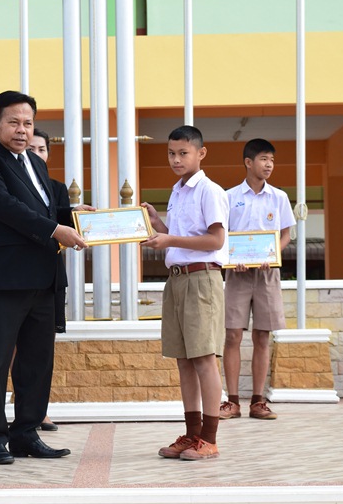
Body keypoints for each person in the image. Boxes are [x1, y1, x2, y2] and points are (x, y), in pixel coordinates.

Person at [0, 90, 90, 465]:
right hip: (5, 278)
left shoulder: (35, 163)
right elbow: (6, 207)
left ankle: (26, 433)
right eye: (14, 122)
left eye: (28, 123)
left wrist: (76, 217)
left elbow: (46, 210)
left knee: (37, 361)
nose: (22, 130)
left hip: (44, 276)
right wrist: (56, 229)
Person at [142, 125, 229, 461]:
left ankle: (209, 439)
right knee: (183, 360)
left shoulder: (210, 190)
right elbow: (180, 237)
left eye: (183, 153)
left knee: (204, 358)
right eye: (171, 153)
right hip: (177, 279)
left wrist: (170, 239)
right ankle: (192, 434)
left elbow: (216, 240)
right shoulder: (177, 191)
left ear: (201, 153)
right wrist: (157, 225)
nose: (176, 160)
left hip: (202, 279)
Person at [220, 138, 295, 420]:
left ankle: (258, 401)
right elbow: (221, 234)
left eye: (272, 160)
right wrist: (231, 257)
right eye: (264, 159)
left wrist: (273, 253)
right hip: (237, 273)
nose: (269, 165)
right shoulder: (229, 197)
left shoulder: (279, 197)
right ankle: (232, 402)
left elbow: (286, 234)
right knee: (232, 335)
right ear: (248, 162)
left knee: (263, 335)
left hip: (267, 273)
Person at [26, 128, 67, 432]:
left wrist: (78, 217)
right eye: (31, 149)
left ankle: (40, 410)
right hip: (17, 277)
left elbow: (65, 226)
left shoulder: (57, 188)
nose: (37, 154)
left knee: (42, 349)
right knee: (13, 350)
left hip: (50, 275)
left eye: (41, 149)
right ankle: (19, 408)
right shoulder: (10, 186)